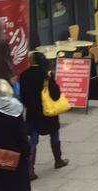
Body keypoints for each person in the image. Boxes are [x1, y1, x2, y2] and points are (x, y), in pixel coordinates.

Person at [17, 51, 68, 181]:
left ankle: (30, 170)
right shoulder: (47, 74)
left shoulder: (23, 75)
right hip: (48, 111)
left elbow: (22, 96)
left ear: (31, 61)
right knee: (54, 134)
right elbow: (55, 95)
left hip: (33, 113)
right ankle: (58, 160)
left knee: (33, 140)